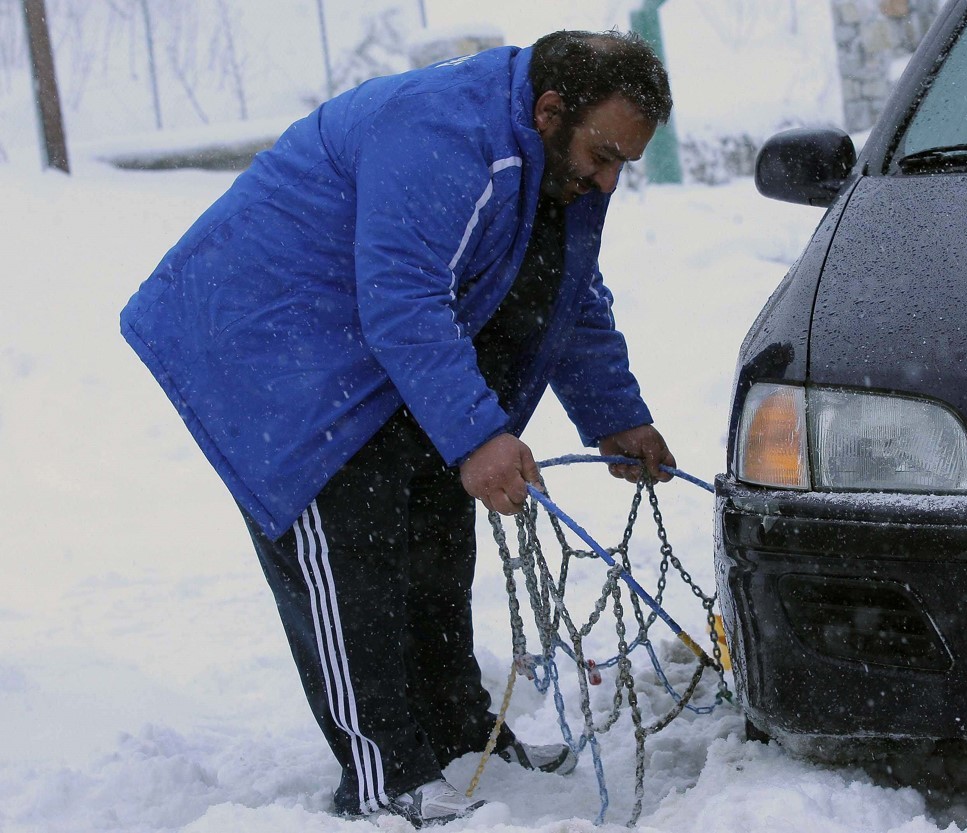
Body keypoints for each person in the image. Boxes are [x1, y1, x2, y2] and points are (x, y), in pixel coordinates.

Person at [119, 30, 676, 827]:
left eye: (626, 161)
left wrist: (615, 413)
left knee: (433, 531)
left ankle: (456, 736)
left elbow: (561, 286)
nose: (610, 178)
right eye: (605, 154)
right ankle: (383, 774)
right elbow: (405, 297)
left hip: (361, 340)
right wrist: (479, 435)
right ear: (551, 110)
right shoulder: (445, 132)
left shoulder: (556, 164)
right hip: (266, 341)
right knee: (353, 554)